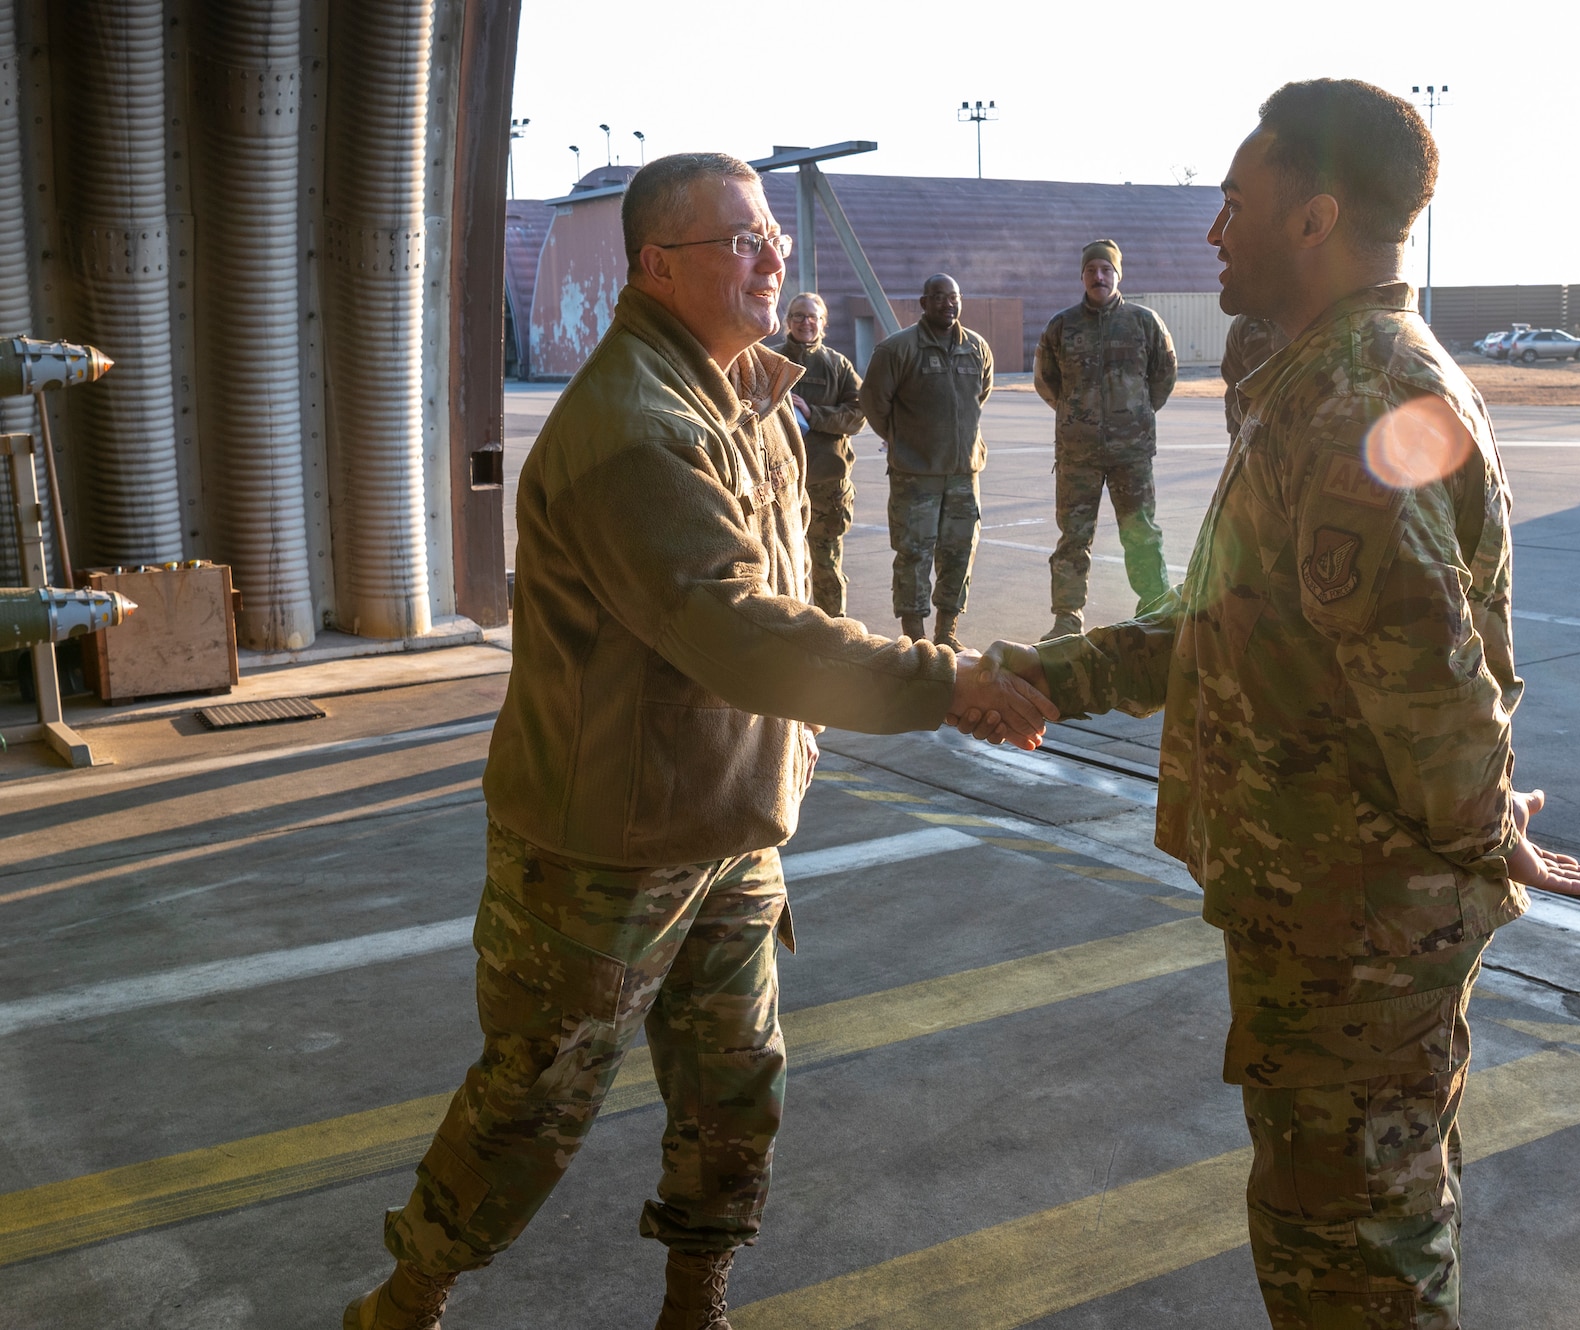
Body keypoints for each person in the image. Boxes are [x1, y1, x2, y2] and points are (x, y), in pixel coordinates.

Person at [341, 153, 1053, 1330]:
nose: (771, 254)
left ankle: (694, 1302)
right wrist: (951, 680)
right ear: (654, 267)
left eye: (772, 233)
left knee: (734, 1093)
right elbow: (739, 632)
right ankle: (408, 1298)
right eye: (739, 239)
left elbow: (795, 594)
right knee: (533, 1104)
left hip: (727, 826)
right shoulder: (637, 429)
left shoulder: (747, 394)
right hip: (605, 847)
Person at [975, 81, 1580, 1329]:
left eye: (1234, 202)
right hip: (1323, 914)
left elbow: (1431, 683)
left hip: (1357, 930)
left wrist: (1481, 827)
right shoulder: (1318, 377)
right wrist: (1051, 676)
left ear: (1312, 220)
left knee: (1353, 1259)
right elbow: (1230, 619)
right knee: (1350, 1228)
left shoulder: (1358, 397)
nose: (1212, 230)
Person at [1033, 239, 1177, 639]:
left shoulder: (1143, 322)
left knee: (1141, 532)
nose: (1099, 276)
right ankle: (1066, 618)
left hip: (1131, 453)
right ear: (1082, 275)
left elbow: (1164, 376)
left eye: (1106, 270)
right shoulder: (1062, 326)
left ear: (1118, 275)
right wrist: (1078, 416)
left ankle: (1154, 607)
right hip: (1077, 455)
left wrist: (1135, 416)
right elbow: (1047, 382)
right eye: (1092, 269)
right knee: (1073, 539)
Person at [858, 274, 993, 651]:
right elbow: (873, 403)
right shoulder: (897, 350)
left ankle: (947, 632)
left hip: (964, 474)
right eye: (938, 297)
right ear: (923, 302)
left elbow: (980, 396)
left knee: (959, 553)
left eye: (953, 297)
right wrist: (903, 439)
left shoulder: (977, 348)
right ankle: (915, 635)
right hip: (915, 476)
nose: (947, 304)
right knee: (914, 554)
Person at [776, 292, 865, 616]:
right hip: (779, 484)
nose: (805, 322)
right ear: (788, 321)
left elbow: (858, 414)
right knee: (784, 565)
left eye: (813, 317)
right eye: (798, 316)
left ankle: (834, 632)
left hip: (826, 485)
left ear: (823, 323)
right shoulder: (768, 360)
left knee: (826, 565)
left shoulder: (836, 365)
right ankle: (792, 634)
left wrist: (813, 414)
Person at [1220, 313, 1291, 440]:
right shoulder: (1243, 323)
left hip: (1293, 428)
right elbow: (1232, 383)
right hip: (1249, 431)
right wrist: (1236, 432)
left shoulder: (1303, 315)